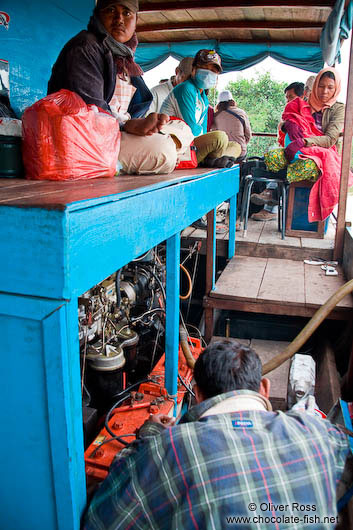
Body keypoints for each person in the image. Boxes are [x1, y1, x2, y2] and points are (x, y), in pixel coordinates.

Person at [82, 338, 350, 529]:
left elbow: (99, 521)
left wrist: (151, 439)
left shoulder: (169, 450)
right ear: (264, 389)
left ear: (197, 395)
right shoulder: (317, 433)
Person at [47, 0, 178, 175]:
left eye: (127, 13)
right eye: (110, 10)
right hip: (83, 141)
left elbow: (133, 112)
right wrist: (127, 126)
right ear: (98, 15)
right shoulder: (86, 47)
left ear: (136, 20)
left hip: (115, 134)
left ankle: (176, 150)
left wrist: (146, 125)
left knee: (181, 130)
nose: (119, 19)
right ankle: (175, 153)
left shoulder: (125, 60)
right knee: (163, 150)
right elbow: (91, 114)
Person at [263, 67, 352, 221]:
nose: (324, 91)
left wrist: (304, 141)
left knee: (304, 167)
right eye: (321, 86)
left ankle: (274, 195)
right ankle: (273, 194)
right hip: (295, 149)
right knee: (271, 157)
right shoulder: (303, 103)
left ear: (336, 88)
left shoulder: (339, 109)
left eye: (330, 87)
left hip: (320, 154)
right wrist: (287, 125)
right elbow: (285, 121)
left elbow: (330, 139)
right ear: (315, 85)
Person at [161, 49, 241, 168]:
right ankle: (214, 159)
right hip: (179, 146)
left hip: (193, 146)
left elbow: (202, 130)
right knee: (220, 138)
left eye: (213, 71)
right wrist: (211, 143)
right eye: (205, 69)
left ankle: (212, 159)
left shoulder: (203, 97)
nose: (209, 74)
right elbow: (190, 129)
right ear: (193, 70)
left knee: (235, 146)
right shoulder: (186, 89)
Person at [211, 89, 252, 159]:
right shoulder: (241, 113)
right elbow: (248, 135)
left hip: (223, 153)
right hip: (240, 152)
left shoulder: (215, 116)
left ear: (219, 103)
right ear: (232, 101)